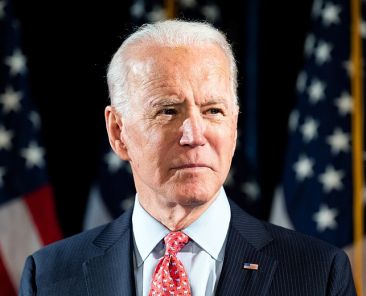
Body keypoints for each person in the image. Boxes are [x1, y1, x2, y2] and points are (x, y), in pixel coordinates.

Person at [20, 19, 356, 296]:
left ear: (234, 127)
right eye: (168, 111)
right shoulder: (49, 277)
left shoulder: (318, 275)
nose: (195, 135)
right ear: (118, 132)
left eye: (213, 111)